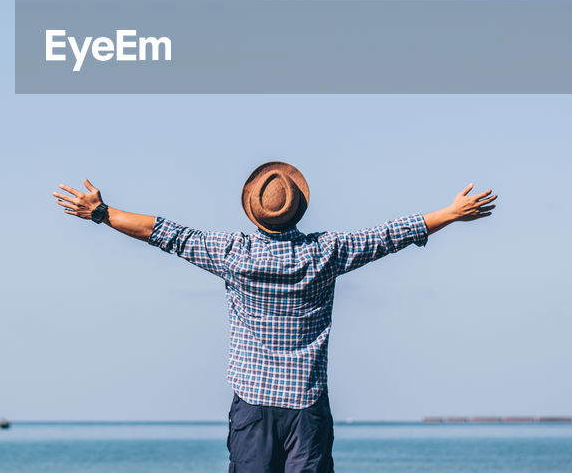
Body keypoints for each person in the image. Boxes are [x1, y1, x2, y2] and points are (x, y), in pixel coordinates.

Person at [52, 161, 496, 473]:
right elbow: (389, 236)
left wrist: (101, 213)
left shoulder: (232, 254)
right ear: (298, 207)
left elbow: (162, 232)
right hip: (307, 407)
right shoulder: (328, 252)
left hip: (253, 405)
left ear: (253, 210)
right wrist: (452, 213)